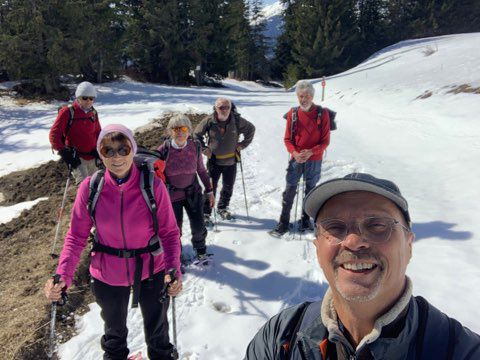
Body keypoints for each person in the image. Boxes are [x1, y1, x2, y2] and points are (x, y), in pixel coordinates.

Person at [245, 173, 480, 359]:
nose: (353, 242)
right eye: (335, 227)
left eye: (377, 225)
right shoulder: (280, 336)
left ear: (409, 245)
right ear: (317, 247)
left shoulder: (460, 350)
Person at [45, 124, 182, 360]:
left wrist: (173, 269)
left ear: (132, 149)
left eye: (122, 149)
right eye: (108, 150)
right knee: (114, 337)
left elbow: (170, 233)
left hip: (152, 269)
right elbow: (76, 237)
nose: (116, 156)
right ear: (100, 153)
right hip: (107, 273)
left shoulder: (152, 185)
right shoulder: (90, 187)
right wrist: (63, 276)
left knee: (158, 336)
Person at [270, 80, 330, 237]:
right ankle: (283, 223)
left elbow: (325, 141)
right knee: (290, 190)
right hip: (296, 159)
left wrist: (311, 152)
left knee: (310, 191)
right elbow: (287, 139)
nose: (303, 99)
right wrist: (295, 153)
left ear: (312, 96)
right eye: (300, 96)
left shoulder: (322, 114)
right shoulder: (293, 113)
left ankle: (305, 220)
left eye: (307, 96)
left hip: (314, 160)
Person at [158, 114, 215, 264]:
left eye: (183, 128)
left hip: (193, 193)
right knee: (175, 229)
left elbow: (201, 170)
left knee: (198, 224)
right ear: (170, 131)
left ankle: (201, 249)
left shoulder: (195, 146)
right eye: (176, 128)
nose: (180, 132)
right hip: (172, 196)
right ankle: (176, 255)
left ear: (189, 130)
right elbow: (157, 175)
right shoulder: (164, 150)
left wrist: (209, 191)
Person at [194, 97, 255, 222]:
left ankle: (222, 207)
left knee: (228, 186)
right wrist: (204, 149)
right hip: (214, 161)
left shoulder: (237, 120)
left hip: (231, 161)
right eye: (221, 107)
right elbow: (196, 135)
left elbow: (251, 129)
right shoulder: (209, 121)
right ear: (216, 108)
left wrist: (242, 144)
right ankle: (206, 212)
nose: (225, 110)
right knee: (210, 187)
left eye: (227, 107)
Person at [49, 81, 102, 184]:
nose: (88, 101)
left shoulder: (93, 113)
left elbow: (98, 132)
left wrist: (100, 148)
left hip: (92, 156)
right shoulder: (68, 112)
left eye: (91, 98)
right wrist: (64, 153)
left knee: (96, 185)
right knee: (84, 185)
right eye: (85, 98)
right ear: (78, 97)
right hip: (76, 158)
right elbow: (54, 135)